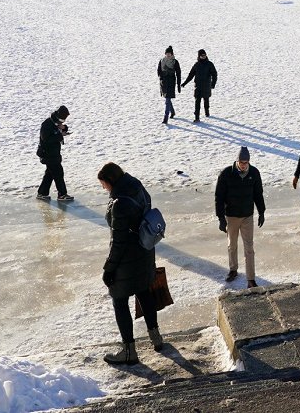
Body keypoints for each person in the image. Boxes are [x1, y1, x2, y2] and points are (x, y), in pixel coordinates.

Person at [98, 162, 163, 365]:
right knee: (144, 292)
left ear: (111, 181)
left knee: (119, 300)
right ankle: (156, 338)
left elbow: (119, 242)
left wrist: (109, 268)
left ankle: (129, 352)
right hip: (145, 252)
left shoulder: (119, 203)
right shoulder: (136, 186)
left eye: (103, 184)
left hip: (127, 260)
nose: (103, 188)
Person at [215, 147, 265, 288]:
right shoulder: (226, 174)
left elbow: (258, 194)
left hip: (247, 215)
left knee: (249, 247)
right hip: (231, 216)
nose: (243, 165)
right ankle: (233, 269)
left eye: (246, 162)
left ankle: (251, 278)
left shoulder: (254, 173)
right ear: (237, 161)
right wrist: (221, 218)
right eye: (241, 162)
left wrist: (261, 212)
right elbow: (219, 197)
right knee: (232, 245)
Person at [36, 105, 73, 202]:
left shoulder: (56, 123)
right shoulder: (47, 124)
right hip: (48, 154)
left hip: (54, 154)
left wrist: (63, 128)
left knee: (49, 174)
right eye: (63, 119)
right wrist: (61, 135)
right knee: (58, 173)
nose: (63, 121)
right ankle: (62, 194)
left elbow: (61, 130)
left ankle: (42, 193)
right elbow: (46, 139)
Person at [183, 48, 218, 122]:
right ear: (199, 56)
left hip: (206, 86)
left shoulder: (209, 64)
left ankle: (207, 112)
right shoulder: (196, 65)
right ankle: (197, 117)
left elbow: (214, 74)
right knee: (197, 102)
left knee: (206, 100)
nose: (203, 56)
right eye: (202, 55)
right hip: (198, 86)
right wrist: (185, 83)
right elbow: (191, 75)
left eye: (204, 55)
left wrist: (213, 84)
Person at [157, 47, 182, 125]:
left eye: (169, 53)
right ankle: (173, 112)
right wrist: (162, 76)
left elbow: (178, 73)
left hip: (171, 82)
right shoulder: (161, 61)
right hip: (164, 82)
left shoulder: (175, 62)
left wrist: (178, 84)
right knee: (167, 99)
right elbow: (158, 71)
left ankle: (166, 117)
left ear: (172, 54)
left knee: (167, 99)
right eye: (167, 53)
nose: (168, 55)